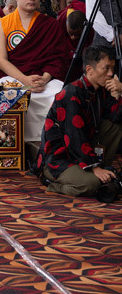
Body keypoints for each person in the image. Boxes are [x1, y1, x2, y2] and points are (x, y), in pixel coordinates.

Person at [37, 45, 122, 199]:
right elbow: (75, 136)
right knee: (92, 184)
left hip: (82, 153)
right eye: (106, 68)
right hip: (59, 158)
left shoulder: (100, 90)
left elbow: (118, 116)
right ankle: (50, 181)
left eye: (113, 68)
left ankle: (97, 169)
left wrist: (120, 90)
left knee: (115, 125)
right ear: (89, 69)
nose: (111, 74)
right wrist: (95, 168)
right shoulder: (71, 93)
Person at [0, 0, 66, 143]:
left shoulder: (50, 24)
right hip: (14, 78)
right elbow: (1, 60)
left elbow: (58, 58)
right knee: (13, 96)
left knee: (60, 95)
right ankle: (18, 145)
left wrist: (44, 79)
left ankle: (51, 144)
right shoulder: (1, 25)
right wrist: (25, 80)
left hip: (43, 79)